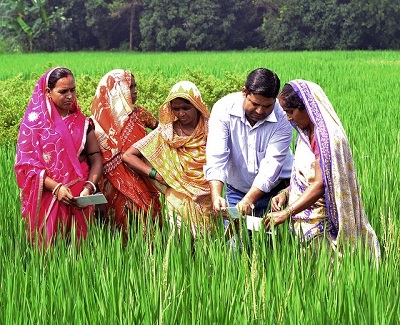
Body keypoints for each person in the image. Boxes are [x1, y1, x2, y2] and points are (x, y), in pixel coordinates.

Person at [266, 79, 380, 258]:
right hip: (305, 218)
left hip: (323, 223)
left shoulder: (327, 140)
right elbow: (307, 177)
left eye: (290, 112)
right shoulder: (305, 134)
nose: (288, 118)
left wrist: (286, 213)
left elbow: (321, 183)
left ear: (305, 108)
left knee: (328, 273)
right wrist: (286, 193)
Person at [14, 67, 103, 246]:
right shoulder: (33, 126)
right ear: (48, 92)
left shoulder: (83, 124)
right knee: (49, 254)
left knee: (80, 252)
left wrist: (88, 188)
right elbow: (26, 166)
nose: (70, 96)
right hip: (49, 196)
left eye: (73, 90)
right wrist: (56, 188)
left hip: (79, 198)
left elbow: (96, 159)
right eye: (63, 91)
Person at [122, 81, 213, 236]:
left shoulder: (212, 130)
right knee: (179, 246)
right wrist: (156, 175)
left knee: (205, 247)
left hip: (206, 199)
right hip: (176, 199)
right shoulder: (167, 132)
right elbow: (128, 155)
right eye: (176, 109)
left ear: (197, 105)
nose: (181, 113)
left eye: (186, 108)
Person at [204, 68, 293, 220]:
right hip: (237, 190)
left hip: (276, 191)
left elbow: (272, 165)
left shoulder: (282, 116)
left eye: (267, 106)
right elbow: (216, 156)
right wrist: (216, 195)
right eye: (255, 104)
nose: (259, 111)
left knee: (274, 241)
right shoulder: (223, 109)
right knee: (234, 242)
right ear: (244, 92)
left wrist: (249, 200)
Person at [90, 69, 161, 238]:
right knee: (117, 232)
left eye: (135, 87)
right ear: (115, 91)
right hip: (113, 189)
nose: (135, 91)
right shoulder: (96, 125)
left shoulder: (140, 114)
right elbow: (90, 159)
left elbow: (164, 133)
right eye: (130, 87)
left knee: (148, 229)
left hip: (143, 181)